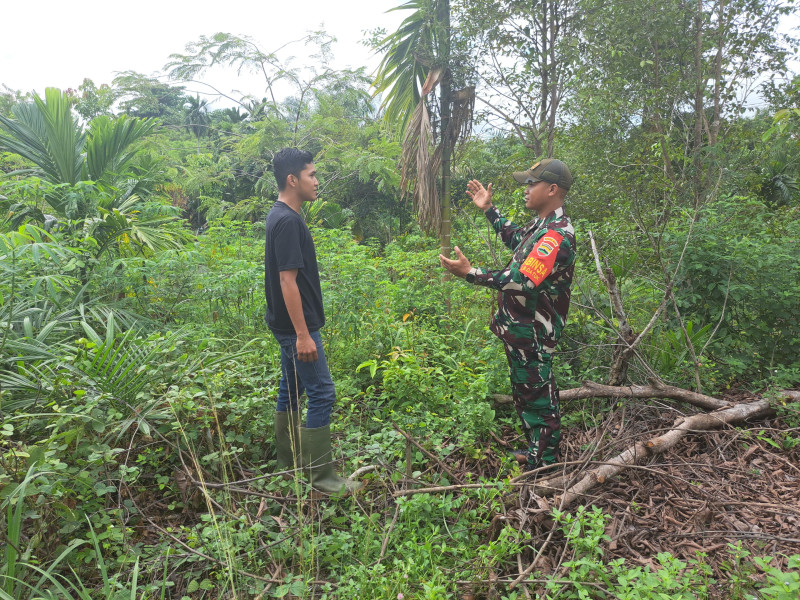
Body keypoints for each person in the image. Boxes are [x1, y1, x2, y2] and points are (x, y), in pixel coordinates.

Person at [439, 159, 576, 472]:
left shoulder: (557, 236)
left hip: (534, 333)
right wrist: (489, 209)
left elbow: (523, 279)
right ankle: (536, 451)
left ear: (552, 189)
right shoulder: (541, 227)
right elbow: (516, 238)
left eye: (532, 183)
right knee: (527, 394)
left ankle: (545, 467)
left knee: (539, 398)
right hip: (520, 330)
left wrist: (471, 273)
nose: (526, 189)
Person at [265, 147, 360, 494]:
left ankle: (287, 462)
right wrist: (303, 334)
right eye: (312, 175)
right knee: (322, 393)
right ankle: (322, 478)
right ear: (293, 179)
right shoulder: (288, 220)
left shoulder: (280, 214)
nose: (317, 181)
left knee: (291, 389)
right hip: (296, 328)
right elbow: (287, 280)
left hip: (285, 325)